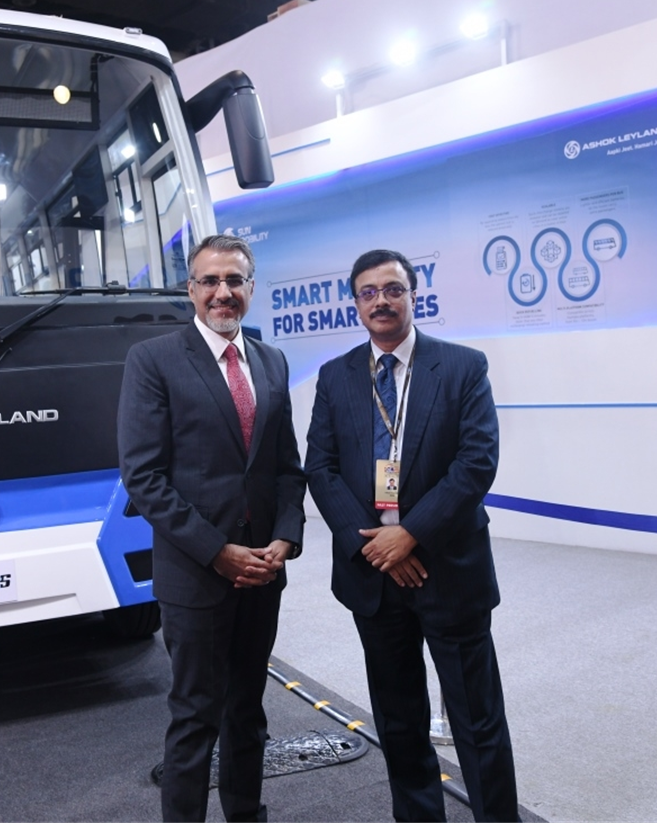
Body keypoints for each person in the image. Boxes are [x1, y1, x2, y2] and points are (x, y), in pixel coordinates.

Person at [304, 249, 519, 823]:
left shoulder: (462, 367)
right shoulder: (336, 375)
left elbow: (476, 463)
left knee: (477, 720)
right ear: (355, 303)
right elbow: (320, 468)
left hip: (448, 568)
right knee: (398, 720)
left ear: (413, 295)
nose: (381, 300)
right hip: (373, 577)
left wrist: (411, 536)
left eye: (393, 289)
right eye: (369, 292)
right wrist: (376, 545)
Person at [118, 234, 306, 823]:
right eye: (209, 281)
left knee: (248, 710)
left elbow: (286, 468)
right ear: (190, 289)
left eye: (234, 280)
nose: (222, 292)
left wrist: (285, 537)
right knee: (196, 714)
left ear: (251, 287)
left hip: (262, 572)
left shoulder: (271, 360)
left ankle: (246, 815)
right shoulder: (153, 360)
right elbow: (143, 478)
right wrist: (217, 551)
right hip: (196, 574)